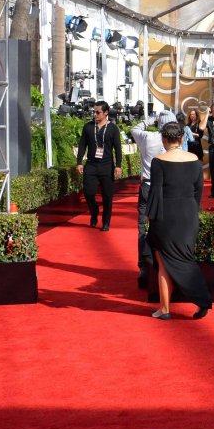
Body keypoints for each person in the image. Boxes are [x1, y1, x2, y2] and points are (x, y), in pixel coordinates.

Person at [146, 121, 211, 321]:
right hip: (188, 213)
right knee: (184, 257)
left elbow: (155, 192)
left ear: (164, 139)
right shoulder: (194, 159)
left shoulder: (159, 160)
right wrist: (192, 209)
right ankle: (200, 299)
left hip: (166, 215)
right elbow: (199, 190)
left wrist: (150, 217)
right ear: (182, 138)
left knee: (164, 262)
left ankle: (165, 309)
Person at [129, 110, 176, 289]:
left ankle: (144, 266)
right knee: (168, 225)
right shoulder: (175, 141)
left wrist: (150, 119)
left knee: (143, 228)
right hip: (167, 187)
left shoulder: (148, 137)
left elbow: (134, 129)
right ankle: (168, 263)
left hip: (148, 186)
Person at [75, 101, 123, 231]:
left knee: (107, 196)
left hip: (107, 166)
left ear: (106, 113)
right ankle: (94, 211)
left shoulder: (113, 128)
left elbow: (118, 149)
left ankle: (106, 221)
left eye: (98, 112)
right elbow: (82, 145)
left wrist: (118, 166)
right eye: (94, 112)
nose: (95, 114)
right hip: (91, 165)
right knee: (88, 192)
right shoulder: (88, 127)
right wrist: (79, 162)